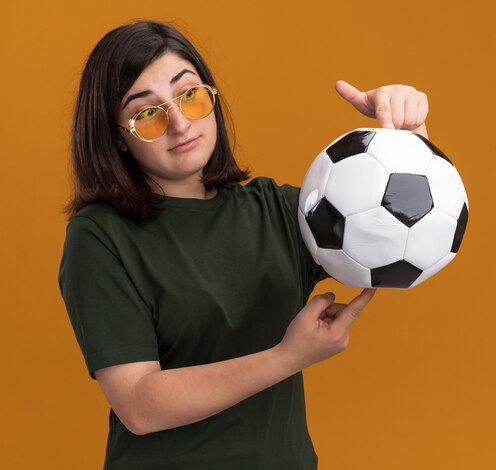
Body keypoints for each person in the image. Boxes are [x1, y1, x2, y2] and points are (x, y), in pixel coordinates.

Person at [58, 20, 429, 470]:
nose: (179, 123)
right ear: (117, 136)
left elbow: (397, 228)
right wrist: (286, 358)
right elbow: (139, 404)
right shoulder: (100, 237)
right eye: (147, 114)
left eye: (189, 95)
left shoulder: (277, 210)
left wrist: (409, 137)